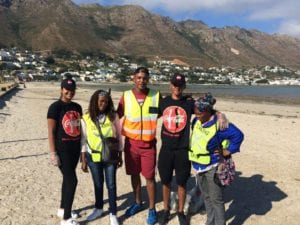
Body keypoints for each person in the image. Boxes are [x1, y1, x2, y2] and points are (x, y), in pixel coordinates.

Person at [158, 74, 228, 225]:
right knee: (166, 181)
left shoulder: (189, 103)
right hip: (166, 149)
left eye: (180, 85)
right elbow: (147, 116)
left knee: (182, 182)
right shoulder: (163, 102)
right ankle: (165, 210)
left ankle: (181, 211)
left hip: (183, 149)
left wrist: (220, 114)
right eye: (175, 85)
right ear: (170, 85)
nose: (177, 88)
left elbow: (206, 108)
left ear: (184, 87)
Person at [189, 93, 244, 225]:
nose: (196, 116)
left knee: (216, 199)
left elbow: (238, 135)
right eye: (195, 113)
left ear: (208, 111)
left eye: (199, 113)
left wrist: (227, 151)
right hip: (198, 165)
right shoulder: (196, 120)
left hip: (213, 166)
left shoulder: (220, 125)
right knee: (206, 197)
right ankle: (210, 220)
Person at [117, 67, 160, 225]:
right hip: (131, 145)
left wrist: (217, 113)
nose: (142, 80)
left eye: (144, 78)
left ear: (148, 79)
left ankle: (152, 208)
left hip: (149, 145)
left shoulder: (156, 96)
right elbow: (115, 115)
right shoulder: (126, 96)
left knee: (149, 178)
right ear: (134, 79)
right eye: (139, 77)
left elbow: (170, 109)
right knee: (134, 175)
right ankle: (137, 202)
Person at [80, 89, 123, 225]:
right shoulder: (86, 117)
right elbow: (83, 139)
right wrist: (83, 159)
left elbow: (119, 137)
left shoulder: (113, 116)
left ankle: (113, 213)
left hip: (110, 156)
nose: (103, 104)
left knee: (111, 184)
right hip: (93, 156)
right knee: (98, 184)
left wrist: (120, 154)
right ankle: (98, 208)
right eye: (101, 101)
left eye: (106, 101)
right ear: (94, 102)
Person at [47, 78, 82, 225]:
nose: (70, 92)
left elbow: (81, 128)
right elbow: (51, 131)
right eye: (67, 89)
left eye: (72, 90)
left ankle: (62, 208)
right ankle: (66, 218)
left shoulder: (77, 107)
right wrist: (53, 153)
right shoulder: (55, 107)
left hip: (75, 149)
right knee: (72, 181)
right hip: (63, 151)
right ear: (61, 89)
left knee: (67, 180)